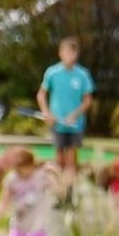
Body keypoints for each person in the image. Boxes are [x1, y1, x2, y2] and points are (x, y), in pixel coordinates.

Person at [36, 36, 94, 182]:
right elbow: (41, 95)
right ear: (60, 53)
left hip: (75, 124)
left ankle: (70, 188)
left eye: (73, 53)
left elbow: (87, 101)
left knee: (71, 159)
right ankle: (58, 188)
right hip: (57, 123)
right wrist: (46, 113)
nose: (70, 56)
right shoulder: (52, 72)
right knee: (59, 159)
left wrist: (75, 115)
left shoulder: (82, 74)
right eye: (67, 52)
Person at [0, 146, 54, 236]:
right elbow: (3, 202)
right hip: (18, 225)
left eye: (21, 168)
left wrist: (55, 172)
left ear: (30, 165)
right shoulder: (12, 179)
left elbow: (60, 191)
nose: (18, 172)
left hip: (37, 227)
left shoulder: (41, 177)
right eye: (16, 169)